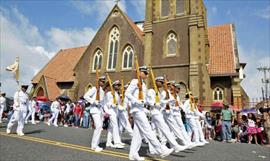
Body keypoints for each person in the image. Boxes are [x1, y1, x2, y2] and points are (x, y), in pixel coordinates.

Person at [125, 66, 174, 161]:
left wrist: (150, 104)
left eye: (147, 73)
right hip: (136, 110)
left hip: (141, 109)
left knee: (138, 134)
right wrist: (135, 101)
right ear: (140, 73)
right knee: (148, 130)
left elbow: (145, 100)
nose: (147, 75)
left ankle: (133, 154)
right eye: (145, 73)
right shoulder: (135, 81)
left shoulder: (143, 84)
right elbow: (127, 93)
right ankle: (160, 151)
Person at [147, 76, 185, 153]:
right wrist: (155, 103)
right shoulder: (151, 91)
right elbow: (149, 101)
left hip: (158, 112)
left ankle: (152, 149)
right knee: (164, 129)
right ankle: (175, 146)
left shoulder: (158, 91)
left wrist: (167, 102)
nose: (162, 84)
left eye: (162, 82)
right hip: (155, 112)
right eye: (161, 82)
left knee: (153, 131)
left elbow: (160, 102)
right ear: (156, 82)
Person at [84, 75, 106, 152]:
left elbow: (103, 103)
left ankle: (96, 144)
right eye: (101, 81)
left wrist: (104, 112)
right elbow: (85, 96)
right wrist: (93, 101)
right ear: (98, 81)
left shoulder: (102, 91)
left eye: (103, 81)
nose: (102, 82)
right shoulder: (94, 89)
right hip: (94, 110)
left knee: (100, 128)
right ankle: (94, 146)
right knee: (98, 126)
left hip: (100, 111)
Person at [104, 80, 125, 149]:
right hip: (111, 111)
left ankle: (108, 142)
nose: (118, 86)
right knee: (115, 126)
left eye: (119, 85)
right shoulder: (109, 93)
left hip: (116, 112)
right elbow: (105, 103)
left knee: (111, 128)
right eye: (117, 85)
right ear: (113, 86)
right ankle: (116, 142)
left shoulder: (117, 94)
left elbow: (118, 104)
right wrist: (111, 105)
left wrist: (121, 107)